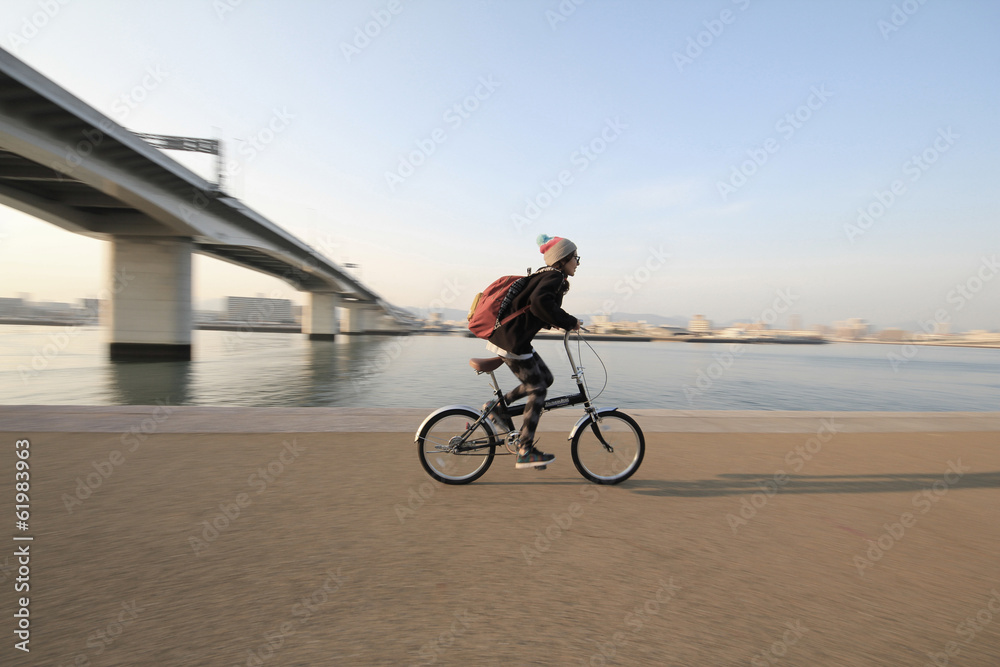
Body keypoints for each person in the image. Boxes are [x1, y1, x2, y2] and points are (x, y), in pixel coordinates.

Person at [484, 234, 582, 469]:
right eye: (576, 258)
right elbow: (539, 303)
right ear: (563, 259)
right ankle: (525, 448)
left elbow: (534, 307)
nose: (578, 263)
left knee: (545, 379)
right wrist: (569, 321)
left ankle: (498, 408)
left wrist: (554, 321)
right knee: (538, 389)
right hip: (512, 341)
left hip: (512, 339)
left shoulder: (545, 274)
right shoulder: (554, 277)